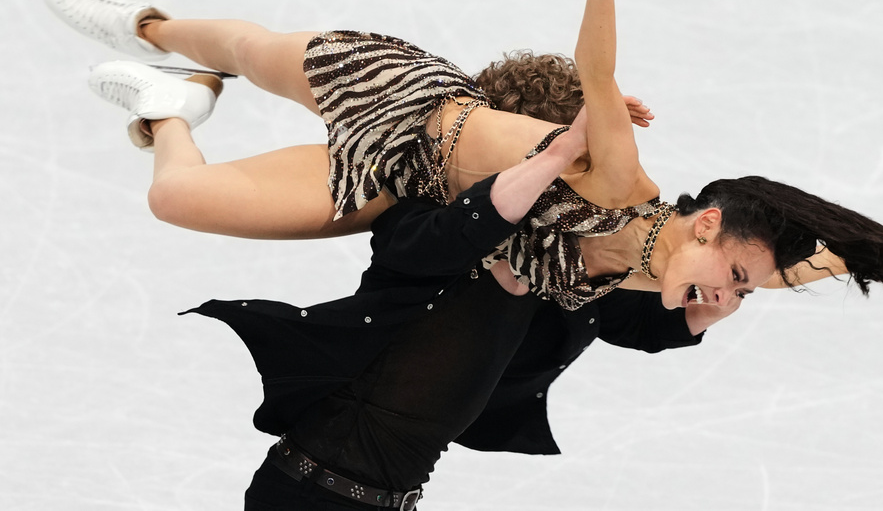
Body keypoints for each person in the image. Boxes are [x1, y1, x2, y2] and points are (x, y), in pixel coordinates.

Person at [39, 0, 883, 313]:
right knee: (249, 45)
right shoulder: (619, 179)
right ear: (707, 225)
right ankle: (149, 29)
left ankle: (174, 106)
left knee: (176, 198)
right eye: (735, 281)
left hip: (392, 183)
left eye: (743, 293)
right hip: (403, 98)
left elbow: (785, 268)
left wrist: (871, 255)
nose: (730, 299)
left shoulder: (645, 270)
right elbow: (598, 72)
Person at [185, 107, 709, 510]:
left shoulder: (562, 276)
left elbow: (642, 321)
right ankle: (170, 116)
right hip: (309, 492)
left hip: (390, 498)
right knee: (174, 194)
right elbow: (476, 220)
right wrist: (559, 151)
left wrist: (722, 292)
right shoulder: (426, 226)